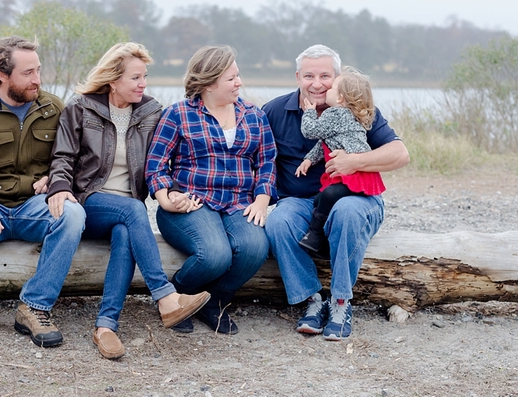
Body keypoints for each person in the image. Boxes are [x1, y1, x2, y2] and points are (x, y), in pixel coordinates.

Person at [46, 42, 210, 360]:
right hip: (88, 202)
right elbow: (63, 156)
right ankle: (165, 297)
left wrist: (172, 190)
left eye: (144, 76)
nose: (143, 83)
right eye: (135, 77)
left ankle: (106, 326)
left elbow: (161, 163)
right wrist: (59, 187)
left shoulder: (151, 112)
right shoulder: (80, 108)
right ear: (113, 80)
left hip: (126, 213)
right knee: (134, 210)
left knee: (126, 228)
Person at [0, 36, 86, 348]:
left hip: (33, 208)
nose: (37, 79)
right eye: (28, 73)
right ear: (2, 75)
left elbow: (74, 156)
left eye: (38, 70)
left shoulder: (53, 108)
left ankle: (35, 306)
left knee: (73, 214)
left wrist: (55, 176)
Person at [263, 44, 409, 340]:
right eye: (308, 76)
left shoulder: (357, 109)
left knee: (347, 211)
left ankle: (341, 302)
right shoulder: (274, 111)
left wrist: (355, 162)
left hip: (356, 197)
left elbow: (400, 154)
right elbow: (258, 161)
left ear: (338, 79)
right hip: (301, 202)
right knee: (278, 221)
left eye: (325, 76)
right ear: (297, 77)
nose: (316, 84)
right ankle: (312, 300)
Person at [145, 45, 277, 335]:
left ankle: (213, 301)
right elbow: (155, 166)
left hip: (239, 202)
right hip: (191, 202)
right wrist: (166, 199)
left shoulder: (253, 115)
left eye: (238, 76)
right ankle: (175, 296)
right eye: (231, 78)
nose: (239, 83)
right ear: (207, 83)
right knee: (216, 254)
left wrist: (262, 199)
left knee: (255, 247)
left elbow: (267, 162)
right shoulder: (177, 114)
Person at [295, 67, 386, 255]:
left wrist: (309, 112)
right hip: (360, 173)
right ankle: (325, 232)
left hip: (354, 175)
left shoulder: (336, 114)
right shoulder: (349, 115)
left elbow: (310, 132)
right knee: (321, 198)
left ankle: (315, 235)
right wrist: (309, 160)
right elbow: (325, 143)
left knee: (328, 195)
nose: (326, 89)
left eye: (332, 87)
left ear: (340, 99)